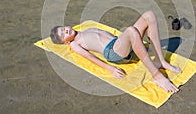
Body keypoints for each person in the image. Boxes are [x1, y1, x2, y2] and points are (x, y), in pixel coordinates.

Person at [50, 11, 182, 93]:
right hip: (112, 52)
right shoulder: (74, 44)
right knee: (131, 30)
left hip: (119, 43)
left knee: (149, 15)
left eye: (64, 28)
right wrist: (110, 68)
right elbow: (90, 57)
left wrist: (126, 40)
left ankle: (160, 61)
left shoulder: (86, 29)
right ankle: (156, 75)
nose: (66, 31)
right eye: (63, 34)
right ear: (66, 42)